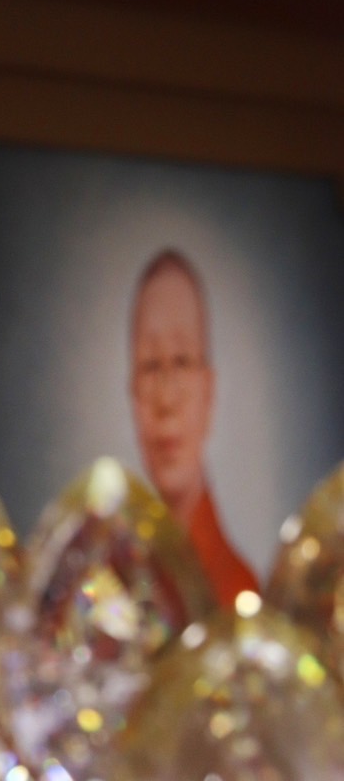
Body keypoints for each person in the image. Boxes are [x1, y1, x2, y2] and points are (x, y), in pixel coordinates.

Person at [129, 248, 258, 607]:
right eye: (150, 366)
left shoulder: (239, 594)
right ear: (132, 394)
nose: (166, 400)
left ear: (209, 392)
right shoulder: (118, 584)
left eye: (182, 361)